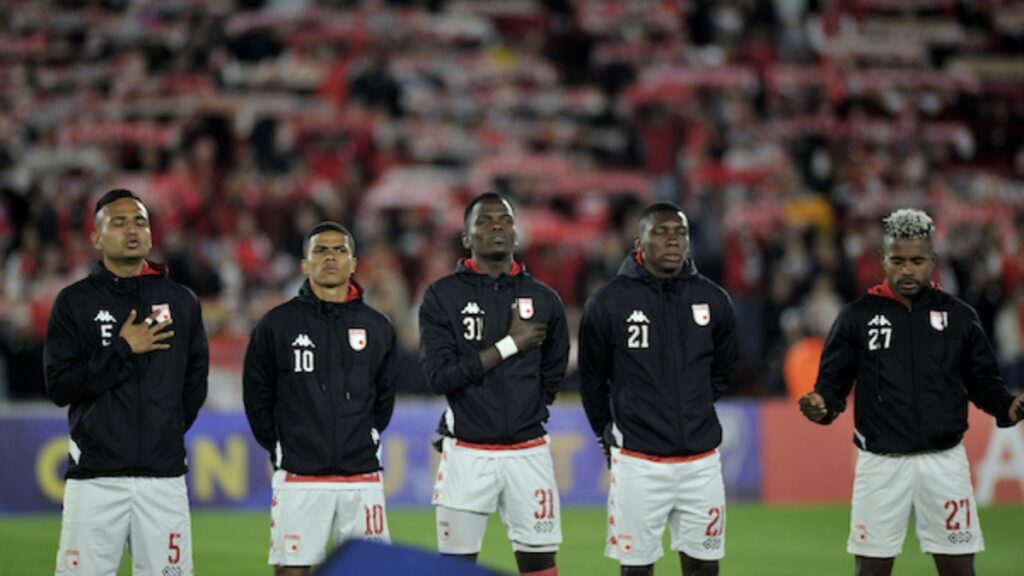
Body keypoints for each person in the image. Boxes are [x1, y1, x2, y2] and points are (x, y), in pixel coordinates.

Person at [799, 208, 1024, 576]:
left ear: (933, 261)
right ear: (882, 259)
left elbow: (982, 380)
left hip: (944, 461)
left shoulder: (959, 317)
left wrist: (1008, 405)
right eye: (898, 260)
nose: (907, 269)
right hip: (881, 464)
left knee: (959, 571)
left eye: (917, 260)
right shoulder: (857, 316)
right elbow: (833, 383)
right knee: (871, 571)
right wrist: (822, 404)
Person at [44, 188, 209, 576]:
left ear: (151, 235)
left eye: (140, 221)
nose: (132, 229)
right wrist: (122, 348)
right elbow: (60, 386)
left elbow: (194, 384)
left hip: (163, 478)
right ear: (97, 238)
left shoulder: (182, 302)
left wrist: (163, 430)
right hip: (96, 479)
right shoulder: (74, 303)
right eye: (118, 223)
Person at [579, 202, 738, 576]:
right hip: (638, 464)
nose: (673, 240)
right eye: (661, 232)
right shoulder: (608, 303)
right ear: (639, 241)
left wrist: (689, 406)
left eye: (680, 232)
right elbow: (591, 381)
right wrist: (609, 436)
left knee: (704, 567)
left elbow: (723, 371)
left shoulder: (714, 300)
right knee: (636, 569)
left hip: (701, 463)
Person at [418, 192, 569, 576]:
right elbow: (440, 377)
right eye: (484, 221)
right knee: (456, 566)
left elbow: (552, 373)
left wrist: (523, 409)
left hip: (528, 452)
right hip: (467, 454)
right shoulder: (442, 297)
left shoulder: (545, 299)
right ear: (467, 237)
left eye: (505, 219)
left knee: (540, 564)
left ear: (517, 234)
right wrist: (509, 345)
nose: (497, 226)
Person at [243, 222, 398, 576]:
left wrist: (366, 436)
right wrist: (284, 445)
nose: (331, 257)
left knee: (371, 571)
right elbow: (257, 397)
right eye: (321, 250)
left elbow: (384, 397)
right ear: (304, 264)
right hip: (300, 474)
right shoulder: (276, 325)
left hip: (362, 476)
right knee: (292, 570)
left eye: (340, 250)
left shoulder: (377, 326)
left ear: (354, 263)